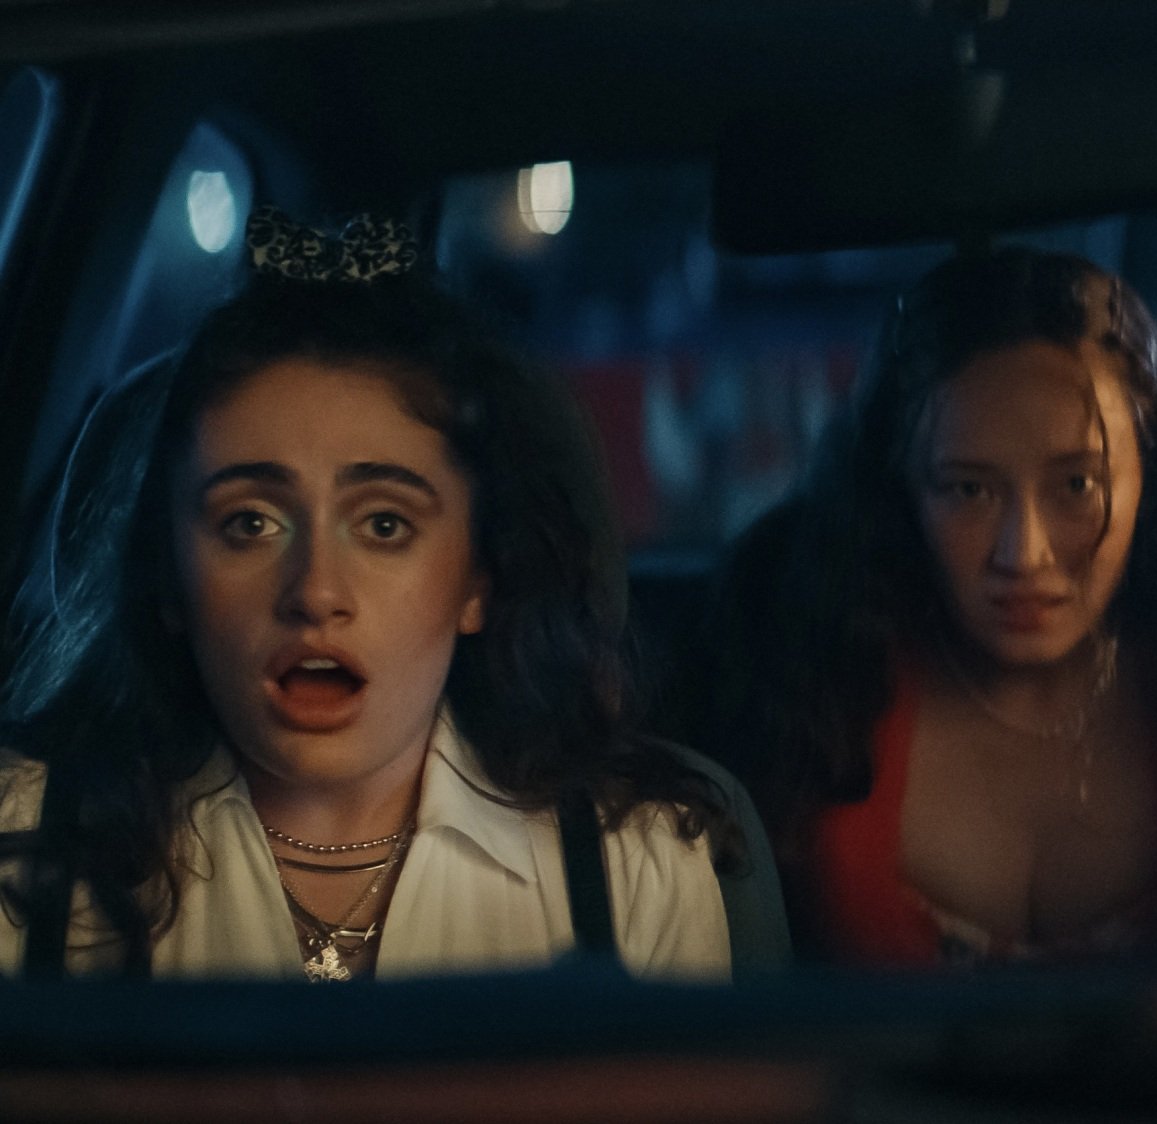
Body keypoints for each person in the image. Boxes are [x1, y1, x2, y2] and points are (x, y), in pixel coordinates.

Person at [0, 208, 739, 981]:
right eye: (249, 522)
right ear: (170, 584)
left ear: (476, 580)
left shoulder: (633, 870)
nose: (316, 592)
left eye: (385, 524)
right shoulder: (26, 847)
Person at [682, 247, 1157, 967]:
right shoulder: (796, 674)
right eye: (968, 490)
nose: (1024, 554)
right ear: (899, 493)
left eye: (1078, 486)